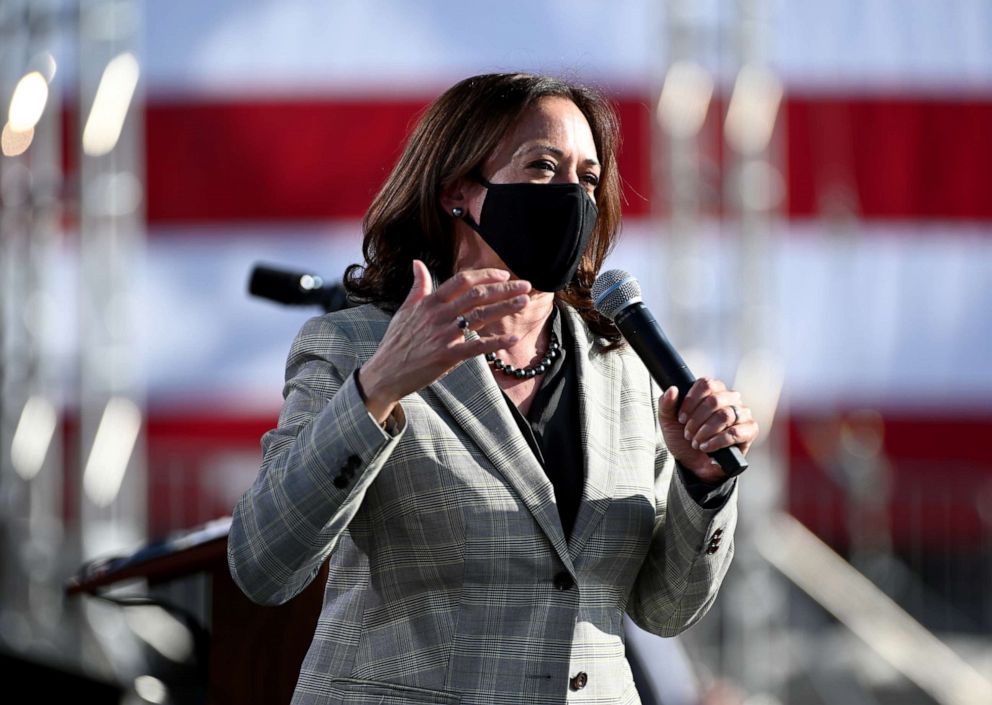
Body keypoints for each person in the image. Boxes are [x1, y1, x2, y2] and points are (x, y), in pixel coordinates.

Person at [228, 72, 758, 705]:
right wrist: (377, 391)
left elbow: (667, 611)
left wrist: (702, 482)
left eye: (587, 179)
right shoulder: (356, 349)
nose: (572, 195)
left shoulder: (624, 369)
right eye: (542, 167)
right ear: (458, 191)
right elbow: (263, 563)